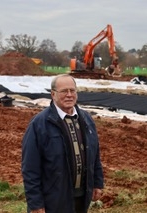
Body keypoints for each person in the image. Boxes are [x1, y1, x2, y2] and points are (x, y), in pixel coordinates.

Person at [21, 74, 104, 213]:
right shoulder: (40, 124)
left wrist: (97, 183)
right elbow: (30, 168)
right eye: (64, 91)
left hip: (81, 198)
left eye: (72, 90)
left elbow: (94, 156)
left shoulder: (86, 119)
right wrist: (35, 203)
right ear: (53, 94)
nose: (69, 95)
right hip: (53, 200)